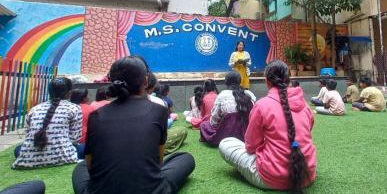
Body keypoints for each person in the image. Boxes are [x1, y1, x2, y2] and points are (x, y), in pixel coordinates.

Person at [72, 56, 195, 194]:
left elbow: (90, 165)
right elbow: (158, 162)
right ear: (146, 81)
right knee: (185, 158)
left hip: (100, 190)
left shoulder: (96, 115)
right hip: (153, 190)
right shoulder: (159, 110)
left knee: (80, 167)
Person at [219, 60, 317, 192]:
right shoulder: (304, 104)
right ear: (288, 79)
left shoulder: (262, 105)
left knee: (226, 143)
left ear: (267, 81)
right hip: (307, 174)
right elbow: (305, 131)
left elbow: (250, 146)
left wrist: (266, 144)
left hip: (271, 178)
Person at [13, 77, 82, 169]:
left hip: (28, 158)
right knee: (85, 148)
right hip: (65, 157)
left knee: (18, 149)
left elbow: (28, 134)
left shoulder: (35, 109)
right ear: (69, 92)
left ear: (49, 92)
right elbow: (74, 139)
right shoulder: (74, 108)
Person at [200, 71, 255, 147]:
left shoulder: (222, 95)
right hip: (247, 134)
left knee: (204, 124)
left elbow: (214, 118)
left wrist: (213, 126)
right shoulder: (250, 94)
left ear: (226, 82)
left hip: (226, 135)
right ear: (240, 81)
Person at [70, 89, 95, 153]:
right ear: (84, 98)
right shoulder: (90, 108)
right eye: (87, 96)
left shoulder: (69, 108)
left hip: (69, 143)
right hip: (85, 142)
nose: (88, 97)